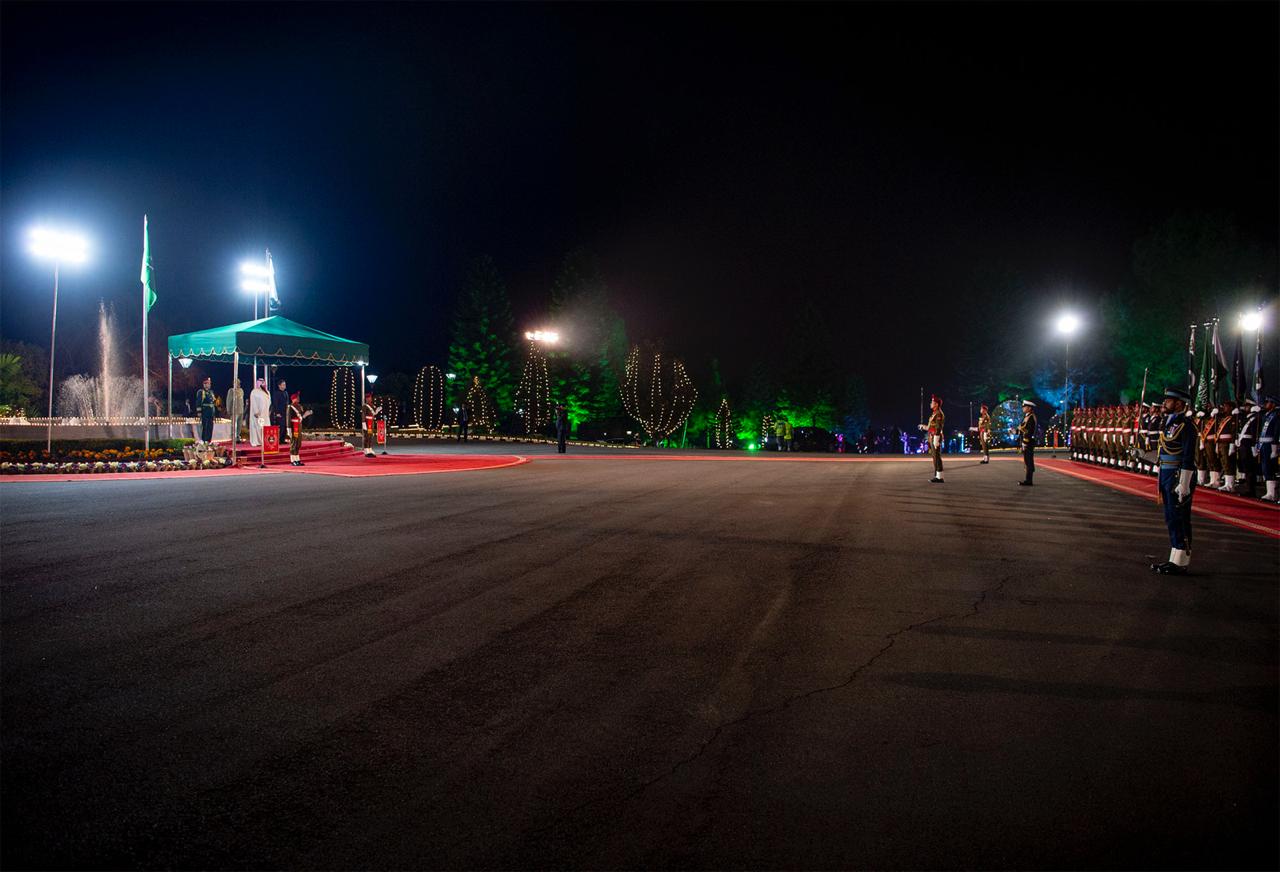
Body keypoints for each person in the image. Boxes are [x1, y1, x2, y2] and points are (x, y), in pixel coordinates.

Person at [1150, 387, 1197, 575]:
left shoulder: (1186, 426)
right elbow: (1164, 451)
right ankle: (1174, 558)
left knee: (1180, 518)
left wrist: (1184, 483)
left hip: (1178, 476)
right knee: (1171, 518)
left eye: (1168, 400)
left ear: (1179, 404)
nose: (1164, 403)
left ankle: (1182, 561)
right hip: (1166, 474)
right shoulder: (1169, 423)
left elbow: (1188, 456)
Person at [1236, 400, 1261, 498]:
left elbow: (1255, 433)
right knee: (1245, 467)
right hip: (1243, 445)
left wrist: (1254, 445)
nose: (1245, 408)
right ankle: (1248, 488)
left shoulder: (1255, 418)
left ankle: (1251, 489)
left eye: (1247, 406)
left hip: (1249, 445)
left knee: (1250, 468)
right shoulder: (1246, 417)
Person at [919, 394, 944, 483]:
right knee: (934, 456)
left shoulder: (938, 414)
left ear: (936, 404)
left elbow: (938, 427)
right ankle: (937, 476)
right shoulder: (934, 413)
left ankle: (940, 477)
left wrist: (936, 439)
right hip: (932, 436)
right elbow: (931, 427)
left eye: (932, 402)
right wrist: (923, 427)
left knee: (937, 456)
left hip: (935, 436)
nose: (930, 403)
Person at [1214, 399, 1237, 492]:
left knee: (1228, 463)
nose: (1224, 408)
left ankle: (1230, 485)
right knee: (1224, 462)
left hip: (1227, 443)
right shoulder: (1223, 418)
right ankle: (1227, 483)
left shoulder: (1233, 418)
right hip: (1221, 442)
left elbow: (1234, 432)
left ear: (1231, 407)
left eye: (1226, 406)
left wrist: (1232, 444)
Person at [1259, 396, 1278, 502]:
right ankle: (1269, 492)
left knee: (1270, 468)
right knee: (1265, 467)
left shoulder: (1276, 416)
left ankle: (1272, 493)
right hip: (1264, 444)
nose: (1266, 404)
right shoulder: (1266, 415)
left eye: (1268, 402)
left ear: (1273, 405)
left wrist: (1274, 448)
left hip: (1270, 445)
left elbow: (1276, 432)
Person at [285, 392, 313, 466]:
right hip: (293, 427)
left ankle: (297, 459)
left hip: (299, 426)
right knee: (294, 443)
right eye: (297, 398)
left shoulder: (299, 406)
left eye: (298, 397)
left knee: (298, 444)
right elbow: (288, 419)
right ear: (293, 399)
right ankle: (293, 460)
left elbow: (301, 417)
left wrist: (306, 414)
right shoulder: (290, 407)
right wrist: (288, 429)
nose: (298, 399)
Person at [1017, 399, 1037, 486]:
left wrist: (1025, 442)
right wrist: (1016, 431)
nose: (1023, 408)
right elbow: (1023, 429)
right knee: (1027, 460)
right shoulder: (1027, 416)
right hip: (1026, 441)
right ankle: (1028, 479)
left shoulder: (1031, 417)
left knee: (1029, 461)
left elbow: (1029, 432)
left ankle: (1029, 480)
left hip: (1028, 442)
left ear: (1029, 408)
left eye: (1024, 407)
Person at [249, 378, 271, 447]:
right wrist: (256, 411)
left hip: (265, 413)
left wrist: (269, 411)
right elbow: (254, 403)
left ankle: (265, 440)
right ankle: (257, 441)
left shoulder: (267, 392)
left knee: (265, 426)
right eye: (262, 383)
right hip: (258, 414)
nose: (264, 384)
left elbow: (269, 402)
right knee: (258, 427)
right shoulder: (254, 392)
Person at [195, 376, 217, 443]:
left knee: (210, 427)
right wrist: (199, 412)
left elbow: (213, 402)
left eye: (209, 383)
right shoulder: (201, 392)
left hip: (210, 412)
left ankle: (209, 440)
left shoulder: (211, 392)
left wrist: (214, 412)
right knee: (205, 427)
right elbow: (198, 402)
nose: (208, 385)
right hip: (205, 411)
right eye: (207, 383)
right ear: (204, 384)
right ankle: (204, 440)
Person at [226, 378, 245, 443]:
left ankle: (238, 436)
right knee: (234, 425)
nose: (238, 384)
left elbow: (242, 401)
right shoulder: (231, 390)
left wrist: (243, 409)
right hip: (234, 410)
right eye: (237, 383)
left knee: (239, 425)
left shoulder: (241, 390)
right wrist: (228, 409)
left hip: (241, 410)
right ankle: (233, 437)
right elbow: (229, 401)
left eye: (239, 383)